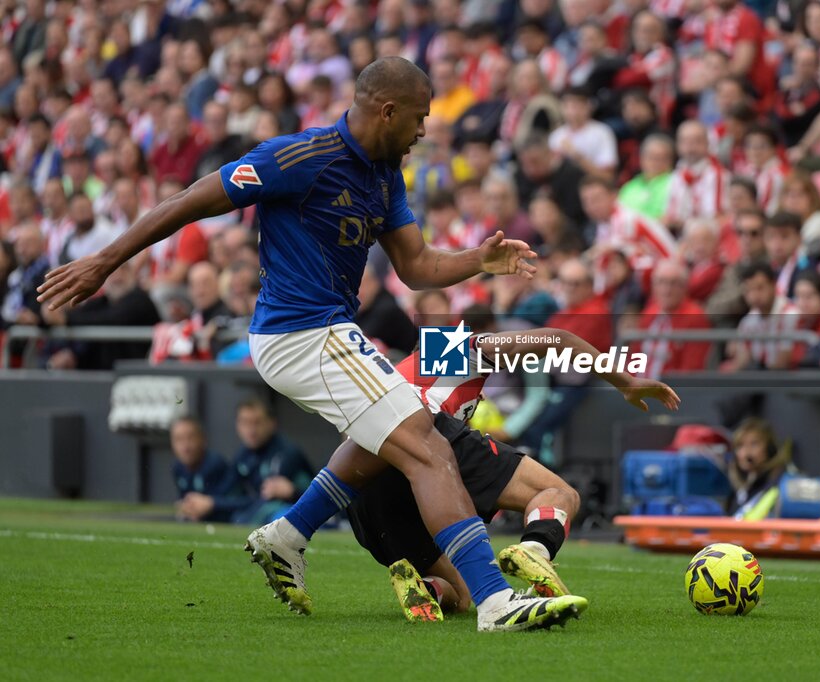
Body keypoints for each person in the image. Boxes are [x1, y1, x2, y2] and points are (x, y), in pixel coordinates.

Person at [37, 57, 585, 632]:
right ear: (388, 110)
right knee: (429, 448)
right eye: (420, 117)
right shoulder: (296, 157)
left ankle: (287, 535)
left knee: (396, 441)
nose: (424, 130)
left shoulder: (383, 176)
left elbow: (417, 267)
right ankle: (496, 603)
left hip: (326, 332)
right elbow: (189, 202)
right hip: (299, 333)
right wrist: (105, 260)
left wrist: (479, 260)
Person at [342, 327, 680, 620]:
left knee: (460, 596)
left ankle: (425, 587)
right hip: (426, 432)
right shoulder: (452, 349)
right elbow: (558, 340)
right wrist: (626, 381)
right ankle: (535, 548)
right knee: (558, 493)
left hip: (365, 492)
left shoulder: (390, 375)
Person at [179, 399, 314, 526]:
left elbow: (264, 499)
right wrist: (203, 504)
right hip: (262, 509)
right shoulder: (243, 455)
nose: (251, 430)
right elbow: (227, 493)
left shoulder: (285, 453)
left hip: (300, 511)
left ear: (272, 423)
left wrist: (293, 492)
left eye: (257, 422)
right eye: (245, 422)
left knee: (270, 515)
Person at [170, 416, 236, 523]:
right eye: (179, 439)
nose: (185, 446)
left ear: (203, 439)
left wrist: (210, 503)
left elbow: (233, 502)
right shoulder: (177, 468)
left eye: (190, 438)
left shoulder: (215, 464)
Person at [726, 417, 793, 519]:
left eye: (754, 444)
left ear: (770, 449)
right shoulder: (738, 491)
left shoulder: (782, 485)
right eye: (740, 446)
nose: (746, 453)